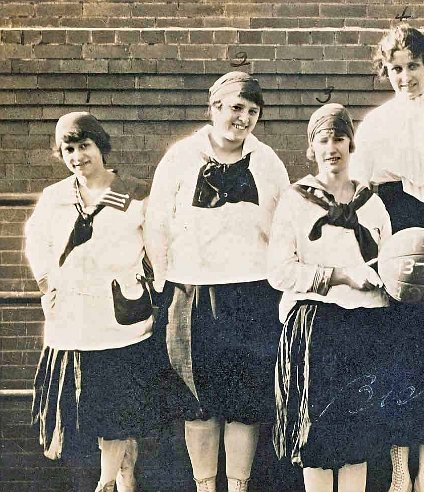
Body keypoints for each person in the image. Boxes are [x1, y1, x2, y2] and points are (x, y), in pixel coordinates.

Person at [144, 72, 289, 492]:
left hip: (252, 295)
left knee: (245, 403)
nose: (242, 119)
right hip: (191, 294)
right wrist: (164, 283)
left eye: (252, 112)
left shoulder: (268, 161)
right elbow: (156, 224)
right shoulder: (180, 157)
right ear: (215, 108)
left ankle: (238, 486)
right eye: (236, 108)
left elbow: (286, 227)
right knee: (198, 404)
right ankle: (206, 487)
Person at [349, 23, 424, 492]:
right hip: (396, 239)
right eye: (396, 69)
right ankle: (401, 470)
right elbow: (363, 198)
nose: (406, 77)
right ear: (387, 72)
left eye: (413, 67)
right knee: (398, 362)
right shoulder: (377, 124)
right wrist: (378, 257)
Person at [26, 112, 159, 492]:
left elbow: (158, 251)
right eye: (69, 149)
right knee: (87, 411)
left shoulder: (135, 194)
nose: (77, 156)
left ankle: (106, 483)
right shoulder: (54, 198)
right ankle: (120, 473)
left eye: (84, 146)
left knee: (117, 409)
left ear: (100, 146)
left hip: (120, 323)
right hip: (71, 322)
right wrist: (48, 285)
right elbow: (38, 245)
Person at [268, 103, 391, 492]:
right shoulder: (296, 200)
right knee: (316, 434)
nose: (332, 147)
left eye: (339, 138)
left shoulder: (371, 202)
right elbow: (280, 272)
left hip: (365, 325)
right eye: (323, 140)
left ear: (351, 144)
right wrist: (340, 276)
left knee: (358, 433)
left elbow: (390, 260)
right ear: (311, 149)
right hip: (315, 326)